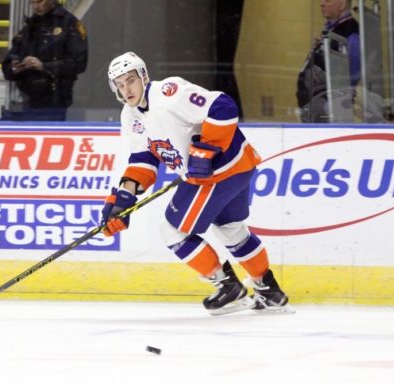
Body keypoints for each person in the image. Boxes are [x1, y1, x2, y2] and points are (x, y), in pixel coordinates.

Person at [101, 52, 293, 316]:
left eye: (131, 80)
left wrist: (206, 150)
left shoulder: (169, 93)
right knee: (231, 230)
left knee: (172, 231)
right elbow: (143, 159)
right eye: (120, 85)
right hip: (239, 168)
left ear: (144, 76)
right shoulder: (130, 117)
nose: (127, 89)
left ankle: (229, 288)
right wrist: (123, 198)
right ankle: (270, 291)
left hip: (218, 171)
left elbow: (223, 106)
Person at [1, 0, 88, 121]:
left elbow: (79, 63)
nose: (36, 6)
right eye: (32, 3)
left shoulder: (69, 23)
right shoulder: (30, 25)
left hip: (55, 97)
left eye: (40, 1)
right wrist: (15, 67)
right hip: (27, 98)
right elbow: (9, 61)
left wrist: (44, 66)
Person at [296, 0, 360, 123]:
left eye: (328, 0)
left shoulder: (350, 32)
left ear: (342, 4)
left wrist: (333, 101)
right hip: (315, 105)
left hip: (328, 108)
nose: (321, 3)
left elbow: (352, 73)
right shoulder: (333, 30)